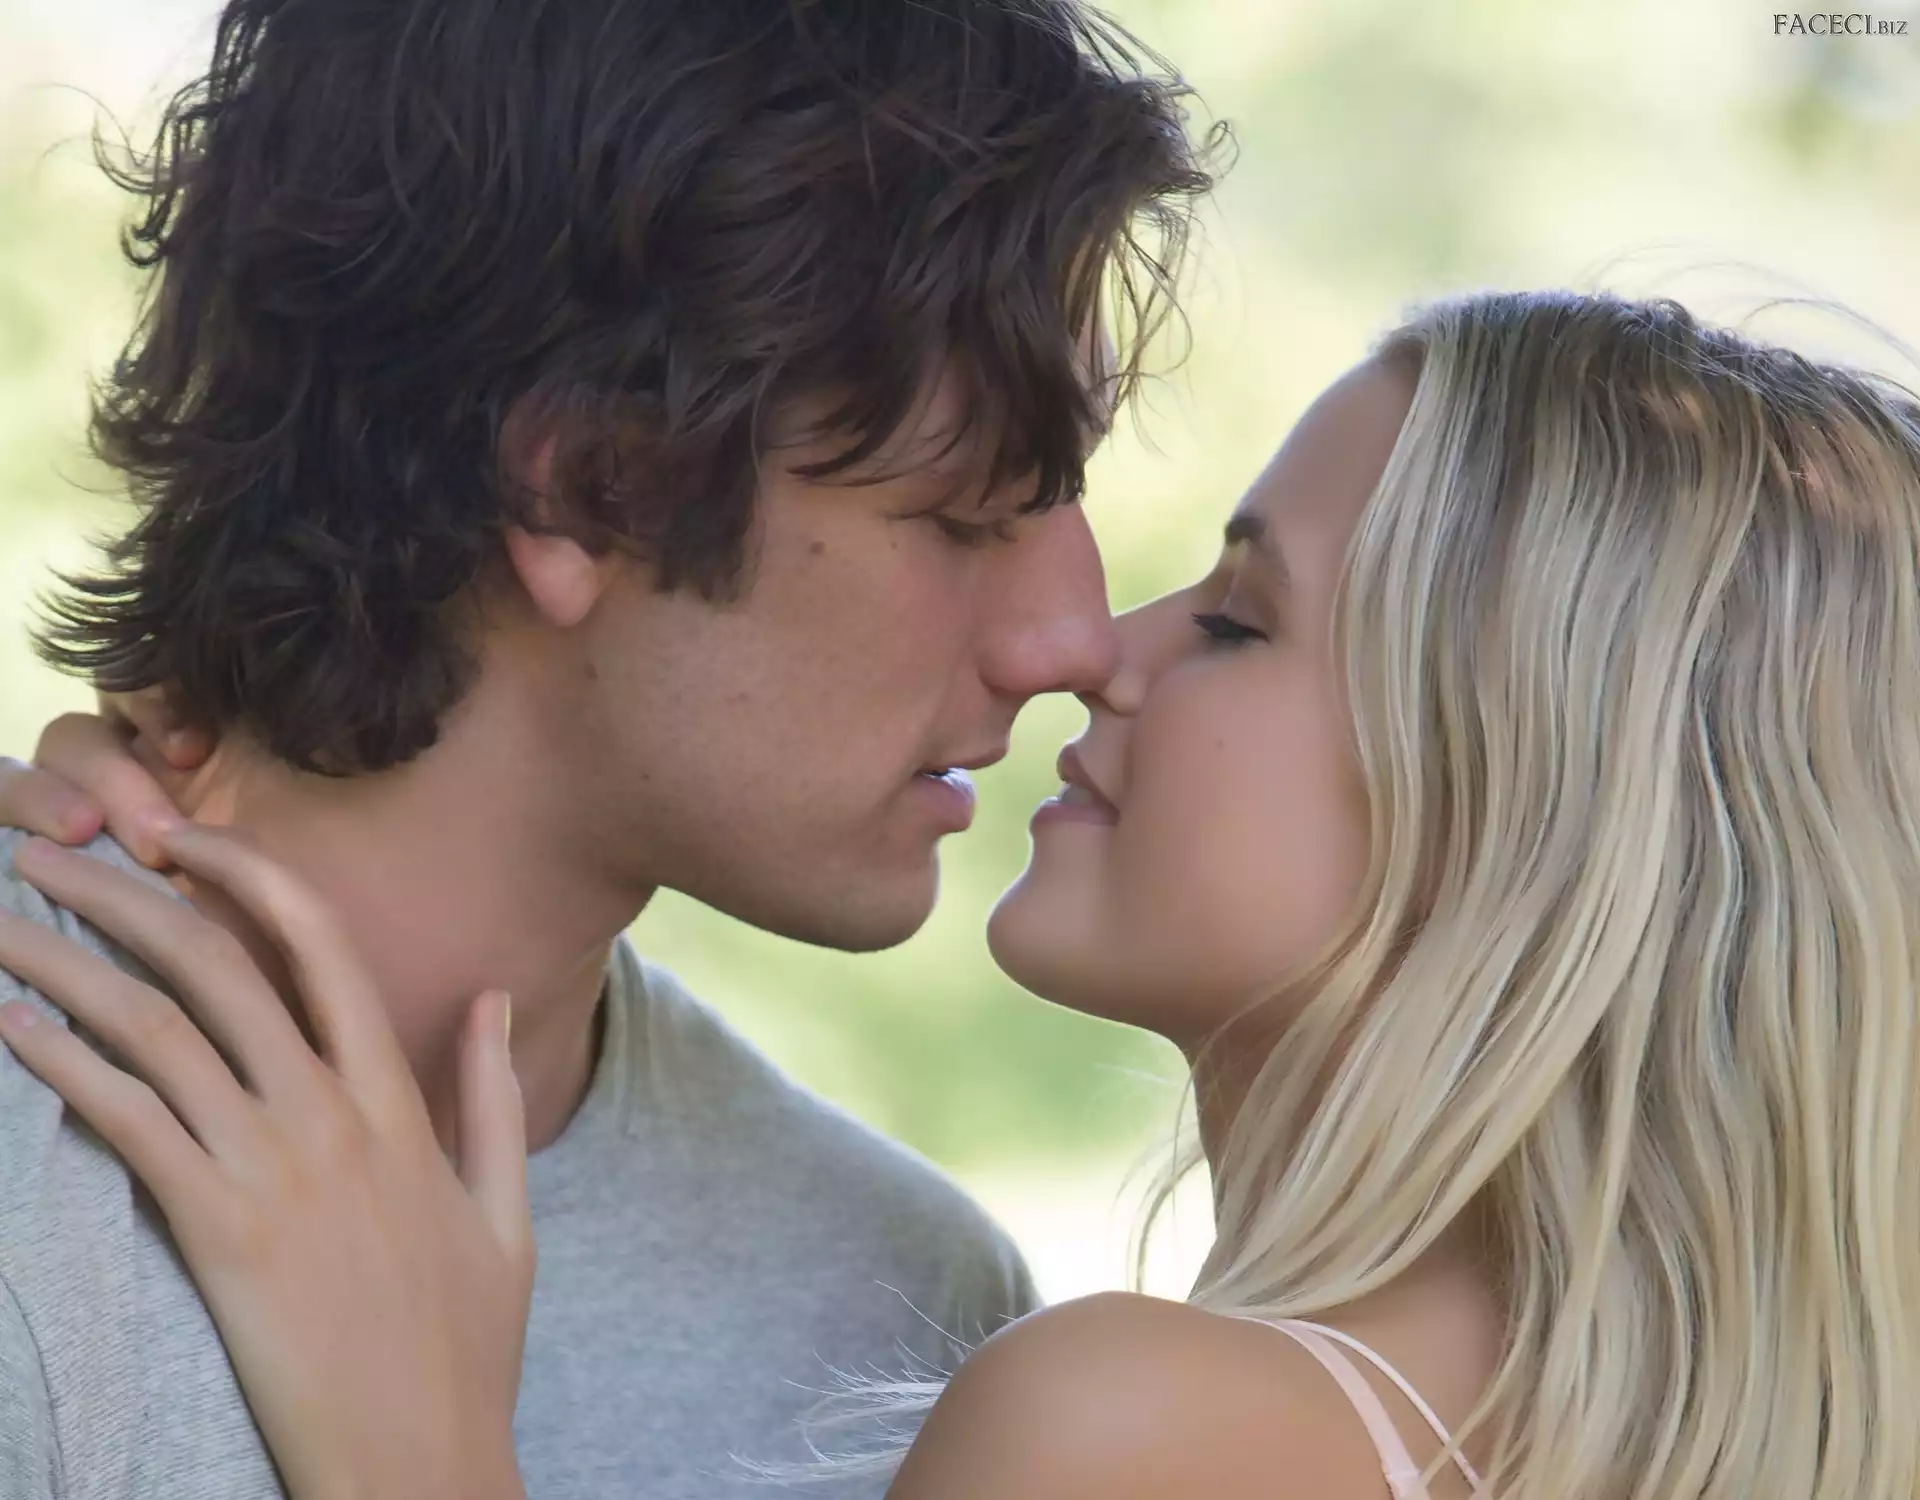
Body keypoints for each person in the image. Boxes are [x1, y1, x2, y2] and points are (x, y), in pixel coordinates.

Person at [10, 288, 1920, 1500]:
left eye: (1239, 622)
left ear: (1520, 819)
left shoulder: (1132, 1432)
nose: (1100, 648)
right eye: (965, 512)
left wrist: (418, 1449)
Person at [0, 0, 1220, 1496]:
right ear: (587, 489)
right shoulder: (31, 1220)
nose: (1076, 641)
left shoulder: (909, 1315)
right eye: (967, 516)